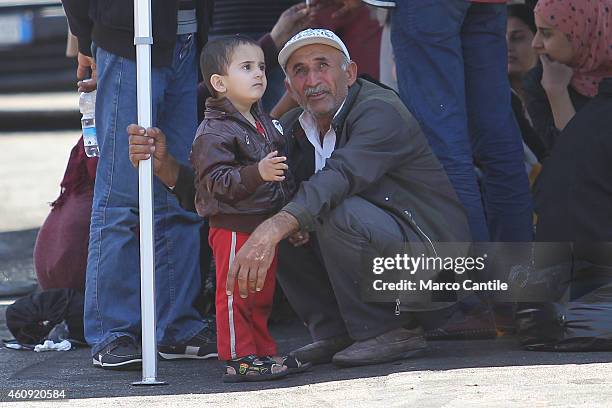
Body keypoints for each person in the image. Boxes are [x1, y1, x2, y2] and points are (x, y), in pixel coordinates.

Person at [129, 29, 471, 367]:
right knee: (274, 208)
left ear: (349, 73)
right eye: (300, 71)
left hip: (437, 270)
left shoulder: (379, 110)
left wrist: (275, 227)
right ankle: (335, 331)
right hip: (386, 257)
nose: (313, 79)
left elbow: (339, 178)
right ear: (290, 87)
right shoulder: (291, 126)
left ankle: (390, 330)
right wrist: (166, 168)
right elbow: (238, 190)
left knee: (325, 211)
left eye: (323, 65)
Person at [61, 0, 216, 369]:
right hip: (127, 37)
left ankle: (176, 325)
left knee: (177, 186)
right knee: (120, 193)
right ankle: (112, 330)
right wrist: (86, 38)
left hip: (186, 36)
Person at [191, 35, 309, 382]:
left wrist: (291, 217)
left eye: (261, 66)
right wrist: (256, 172)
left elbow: (283, 176)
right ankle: (239, 357)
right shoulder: (212, 131)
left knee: (260, 294)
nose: (259, 73)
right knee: (235, 293)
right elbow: (216, 182)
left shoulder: (266, 124)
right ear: (219, 82)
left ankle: (261, 349)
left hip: (264, 223)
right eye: (246, 67)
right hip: (232, 226)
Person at [522, 0, 611, 151]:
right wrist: (557, 93)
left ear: (581, 31)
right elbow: (568, 158)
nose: (535, 44)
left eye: (546, 33)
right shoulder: (539, 82)